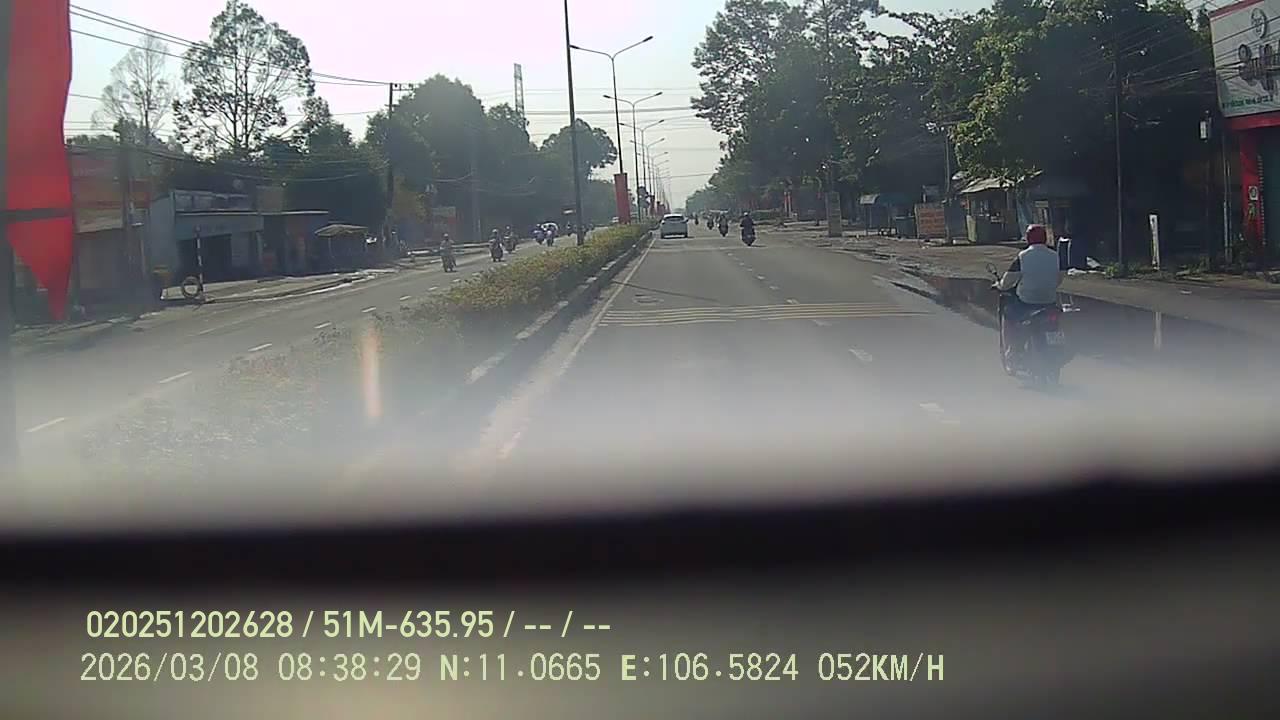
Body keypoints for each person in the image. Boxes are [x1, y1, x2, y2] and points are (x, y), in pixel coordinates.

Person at [995, 224, 1062, 357]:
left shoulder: (1023, 256)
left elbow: (1008, 280)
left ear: (1028, 238)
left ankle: (1013, 349)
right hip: (1050, 301)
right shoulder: (1055, 256)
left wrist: (999, 285)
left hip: (1027, 302)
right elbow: (1059, 278)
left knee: (1008, 314)